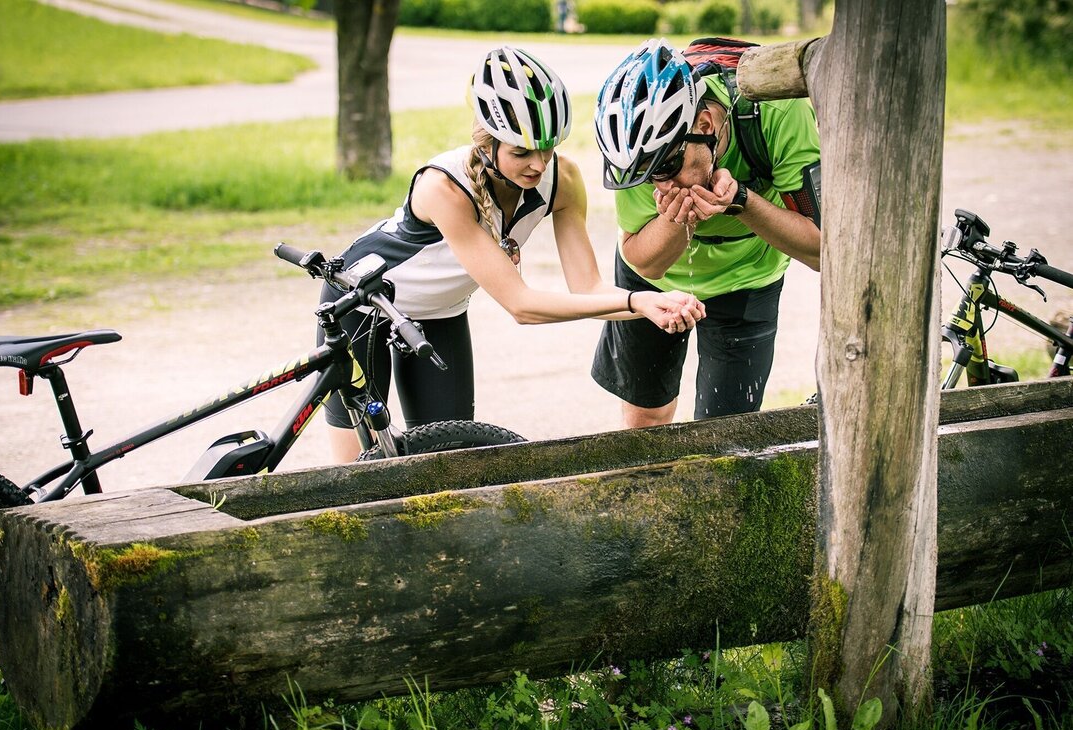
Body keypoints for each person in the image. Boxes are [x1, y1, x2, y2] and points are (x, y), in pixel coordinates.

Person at [321, 46, 705, 462]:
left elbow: (588, 289)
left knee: (451, 464)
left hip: (439, 314)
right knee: (354, 477)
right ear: (486, 144)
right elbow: (521, 305)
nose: (539, 164)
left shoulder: (563, 179)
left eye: (548, 148)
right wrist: (637, 300)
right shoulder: (443, 188)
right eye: (521, 152)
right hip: (359, 306)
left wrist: (649, 303)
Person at [591, 38, 821, 429]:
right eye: (644, 176)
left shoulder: (778, 112)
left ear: (705, 125)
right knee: (646, 415)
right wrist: (679, 220)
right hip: (654, 285)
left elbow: (822, 248)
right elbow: (644, 260)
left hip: (747, 277)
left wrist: (744, 203)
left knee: (724, 430)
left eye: (664, 169)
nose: (658, 187)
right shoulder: (636, 144)